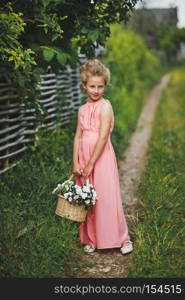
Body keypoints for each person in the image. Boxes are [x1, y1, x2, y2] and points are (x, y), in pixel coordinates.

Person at [72, 59, 133, 255]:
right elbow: (78, 135)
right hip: (84, 157)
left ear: (105, 85)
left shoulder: (105, 107)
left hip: (101, 157)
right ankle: (91, 239)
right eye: (92, 86)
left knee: (106, 197)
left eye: (100, 86)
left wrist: (91, 163)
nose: (96, 90)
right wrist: (76, 162)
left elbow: (103, 135)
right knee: (88, 199)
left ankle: (122, 239)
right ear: (84, 86)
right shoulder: (82, 110)